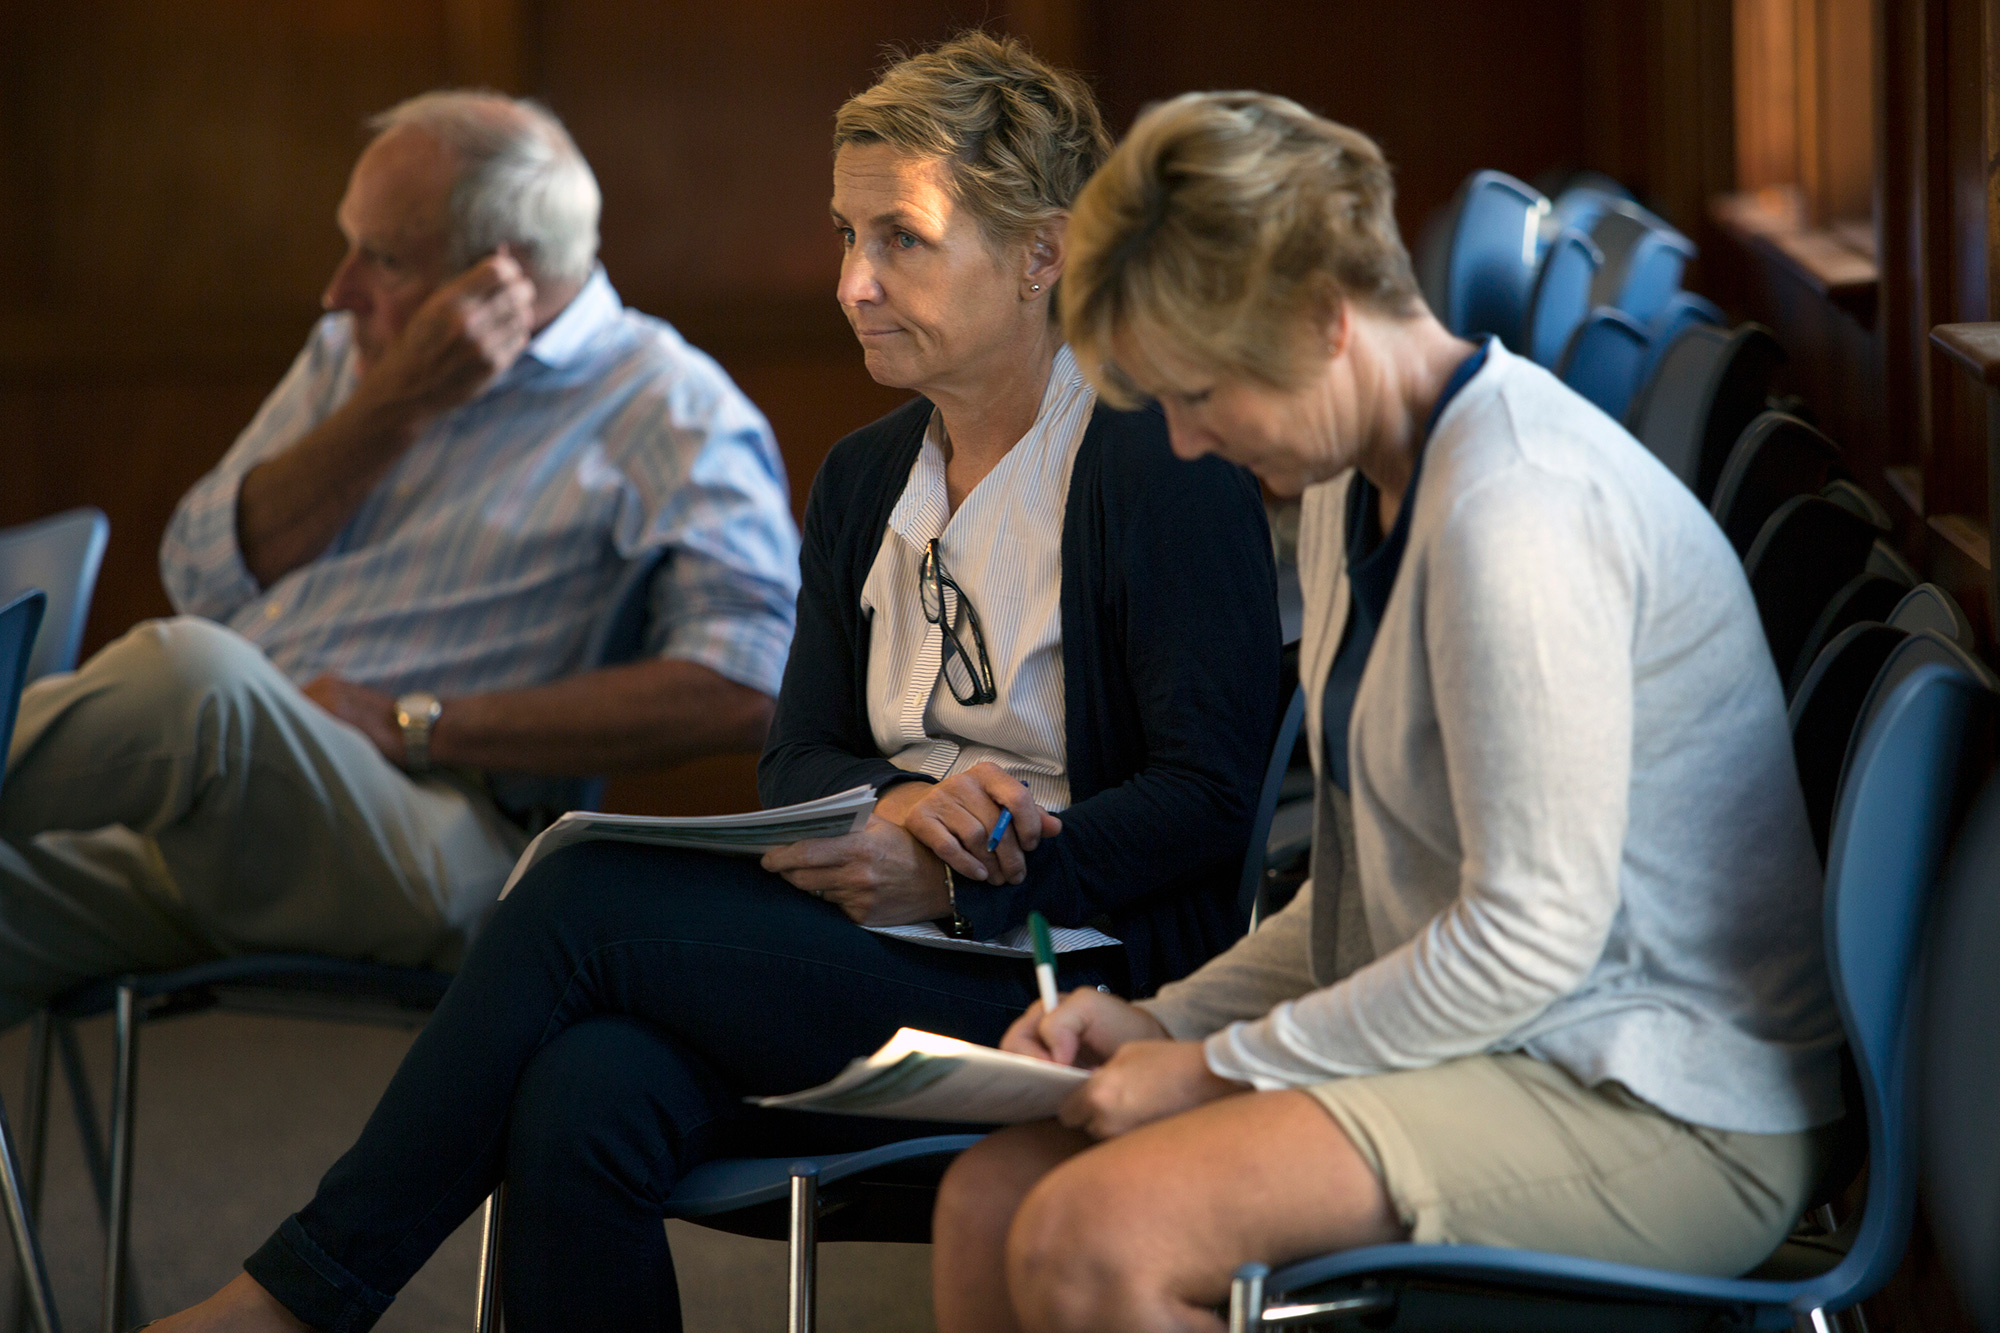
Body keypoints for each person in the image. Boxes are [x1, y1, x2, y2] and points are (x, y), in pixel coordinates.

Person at [149, 35, 1280, 1333]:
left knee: (575, 890)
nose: (852, 282)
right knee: (584, 1090)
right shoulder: (866, 476)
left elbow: (1211, 800)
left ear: (1044, 252)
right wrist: (894, 817)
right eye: (846, 236)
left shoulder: (1153, 459)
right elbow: (796, 756)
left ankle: (295, 1301)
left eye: (901, 238)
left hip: (1067, 973)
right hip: (884, 942)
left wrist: (968, 874)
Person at [927, 92, 1845, 1333]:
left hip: (1655, 1100)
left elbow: (1523, 942)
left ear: (1323, 319)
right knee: (990, 1200)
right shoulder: (1345, 483)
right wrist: (1162, 1018)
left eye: (1201, 393)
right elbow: (1362, 898)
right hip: (1507, 1041)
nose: (1188, 442)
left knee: (1096, 1242)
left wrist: (1207, 1071)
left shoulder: (1511, 512)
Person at [0, 92, 800, 1022]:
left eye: (380, 257)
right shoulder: (355, 355)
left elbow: (750, 681)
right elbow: (202, 570)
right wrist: (397, 406)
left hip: (438, 835)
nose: (337, 289)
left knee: (194, 674)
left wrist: (418, 723)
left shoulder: (673, 408)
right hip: (219, 809)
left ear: (500, 279)